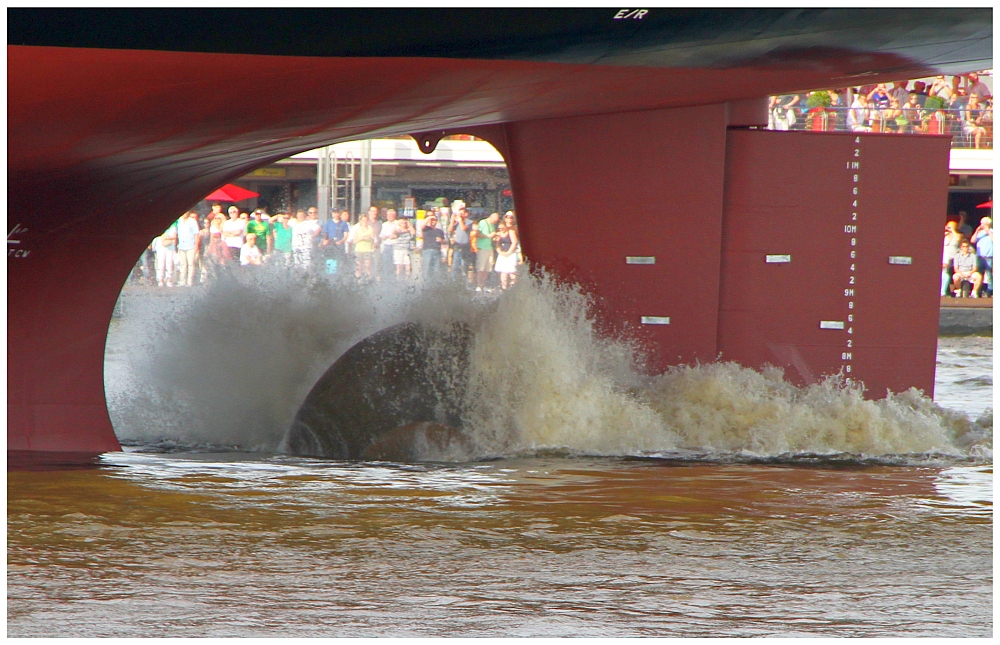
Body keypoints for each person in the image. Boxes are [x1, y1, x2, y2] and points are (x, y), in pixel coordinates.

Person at [472, 211, 500, 291]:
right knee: (481, 268)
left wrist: (495, 238)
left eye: (496, 221)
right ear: (491, 217)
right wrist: (488, 236)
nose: (495, 222)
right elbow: (477, 234)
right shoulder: (483, 222)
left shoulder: (492, 225)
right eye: (495, 221)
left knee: (488, 269)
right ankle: (478, 285)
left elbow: (491, 237)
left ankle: (483, 285)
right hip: (482, 247)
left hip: (489, 248)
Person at [493, 212, 520, 289]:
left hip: (511, 253)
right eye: (499, 228)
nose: (500, 229)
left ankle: (513, 288)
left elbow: (514, 242)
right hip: (502, 253)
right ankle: (504, 288)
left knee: (512, 272)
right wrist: (500, 251)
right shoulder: (499, 233)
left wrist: (509, 252)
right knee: (503, 272)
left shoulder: (512, 230)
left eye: (511, 217)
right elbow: (497, 244)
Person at [448, 202, 474, 283]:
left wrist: (460, 220)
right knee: (455, 264)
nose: (461, 215)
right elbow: (450, 229)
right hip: (457, 245)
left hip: (465, 246)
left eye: (463, 213)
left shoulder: (469, 222)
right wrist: (452, 220)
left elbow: (463, 228)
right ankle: (453, 281)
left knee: (464, 265)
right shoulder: (457, 222)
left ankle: (465, 282)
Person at [175, 210, 201, 287]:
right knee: (183, 264)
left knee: (191, 264)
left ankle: (190, 281)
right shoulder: (178, 221)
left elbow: (196, 235)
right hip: (181, 246)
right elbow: (176, 233)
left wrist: (196, 246)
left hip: (191, 246)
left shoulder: (192, 221)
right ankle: (182, 281)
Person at [420, 215, 447, 282]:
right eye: (431, 220)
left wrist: (441, 240)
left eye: (434, 220)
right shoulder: (426, 228)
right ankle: (426, 284)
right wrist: (429, 217)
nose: (432, 221)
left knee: (436, 269)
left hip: (437, 251)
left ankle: (434, 285)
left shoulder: (439, 231)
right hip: (427, 250)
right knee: (427, 268)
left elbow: (445, 242)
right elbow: (422, 225)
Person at [971, 216, 993, 295]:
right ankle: (979, 289)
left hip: (989, 257)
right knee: (979, 273)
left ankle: (990, 289)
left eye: (982, 223)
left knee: (989, 273)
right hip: (979, 257)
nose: (981, 225)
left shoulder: (993, 231)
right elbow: (972, 241)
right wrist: (977, 231)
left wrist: (988, 232)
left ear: (987, 224)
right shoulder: (980, 233)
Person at [152, 221, 178, 287]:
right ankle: (160, 280)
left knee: (169, 263)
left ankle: (169, 279)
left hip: (170, 246)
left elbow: (174, 236)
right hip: (160, 246)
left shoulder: (173, 225)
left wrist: (167, 237)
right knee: (161, 263)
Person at [352, 214, 376, 280]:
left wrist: (370, 239)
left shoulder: (370, 229)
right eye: (363, 220)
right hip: (359, 249)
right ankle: (358, 278)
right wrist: (361, 238)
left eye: (366, 220)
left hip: (368, 249)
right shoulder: (357, 230)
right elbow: (354, 241)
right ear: (360, 221)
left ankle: (368, 278)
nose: (364, 222)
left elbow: (373, 239)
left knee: (367, 266)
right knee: (359, 266)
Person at [942, 220, 962, 296]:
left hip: (954, 258)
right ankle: (945, 291)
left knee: (952, 275)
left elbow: (958, 239)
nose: (949, 227)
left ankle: (954, 291)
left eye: (951, 226)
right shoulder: (945, 235)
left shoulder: (957, 235)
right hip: (945, 259)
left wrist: (953, 230)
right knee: (945, 274)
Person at [379, 208, 398, 279]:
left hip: (395, 246)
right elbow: (381, 235)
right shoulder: (384, 224)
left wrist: (393, 235)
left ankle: (394, 279)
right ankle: (386, 278)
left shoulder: (397, 223)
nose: (389, 216)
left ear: (394, 216)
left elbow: (397, 234)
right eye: (388, 215)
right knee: (386, 263)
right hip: (386, 246)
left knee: (394, 264)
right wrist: (386, 236)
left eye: (391, 215)